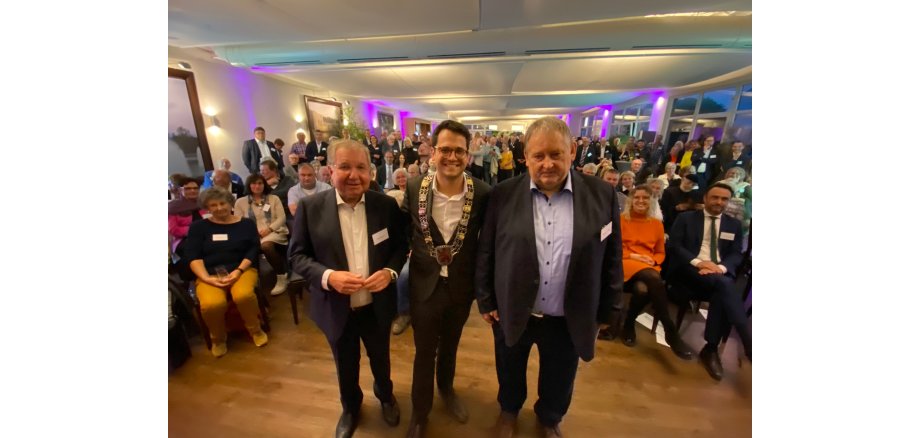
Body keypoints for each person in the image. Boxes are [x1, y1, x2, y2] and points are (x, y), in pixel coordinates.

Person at [475, 116, 622, 438]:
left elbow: (612, 256)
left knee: (560, 373)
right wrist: (485, 299)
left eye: (556, 154)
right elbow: (486, 250)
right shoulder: (502, 195)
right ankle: (509, 410)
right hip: (514, 308)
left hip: (569, 313)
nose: (547, 164)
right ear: (524, 157)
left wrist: (609, 309)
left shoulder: (602, 195)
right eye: (538, 156)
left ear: (572, 151)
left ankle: (549, 417)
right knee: (509, 366)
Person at [288, 140, 408, 438]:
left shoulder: (385, 205)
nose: (353, 175)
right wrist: (329, 277)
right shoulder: (310, 207)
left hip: (377, 304)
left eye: (361, 168)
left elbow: (399, 247)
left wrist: (390, 272)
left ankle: (385, 396)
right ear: (329, 171)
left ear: (371, 171)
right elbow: (297, 256)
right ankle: (350, 407)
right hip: (335, 306)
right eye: (344, 167)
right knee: (345, 362)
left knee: (381, 357)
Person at [402, 120, 491, 438]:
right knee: (424, 351)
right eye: (445, 149)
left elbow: (487, 245)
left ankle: (447, 390)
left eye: (459, 151)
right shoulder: (414, 187)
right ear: (432, 152)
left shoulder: (482, 193)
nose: (452, 157)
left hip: (460, 287)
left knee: (451, 345)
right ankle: (419, 413)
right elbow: (404, 234)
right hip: (423, 286)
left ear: (468, 155)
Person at [666, 183, 751, 381]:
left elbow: (735, 254)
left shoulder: (733, 224)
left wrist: (719, 268)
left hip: (717, 274)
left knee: (721, 290)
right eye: (715, 197)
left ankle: (711, 348)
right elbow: (675, 246)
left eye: (724, 199)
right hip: (689, 269)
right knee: (725, 286)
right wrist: (699, 262)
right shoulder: (686, 218)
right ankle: (745, 343)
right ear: (705, 198)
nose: (719, 202)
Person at [604, 185, 692, 358]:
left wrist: (653, 260)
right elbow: (612, 249)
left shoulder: (657, 224)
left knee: (643, 289)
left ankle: (629, 323)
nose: (641, 201)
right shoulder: (620, 220)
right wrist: (635, 257)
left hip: (648, 267)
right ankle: (669, 329)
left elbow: (660, 252)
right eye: (637, 197)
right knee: (652, 278)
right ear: (630, 200)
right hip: (625, 262)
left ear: (652, 201)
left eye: (645, 198)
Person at [185, 187, 266, 357]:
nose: (219, 208)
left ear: (230, 202)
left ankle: (255, 330)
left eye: (222, 203)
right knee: (212, 304)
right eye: (213, 205)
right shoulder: (198, 227)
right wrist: (207, 278)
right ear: (207, 207)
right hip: (209, 274)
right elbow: (193, 256)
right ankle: (218, 338)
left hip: (242, 270)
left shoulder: (246, 224)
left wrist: (238, 271)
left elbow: (252, 250)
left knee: (243, 295)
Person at [235, 174, 289, 296]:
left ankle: (281, 275)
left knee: (266, 246)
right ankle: (250, 280)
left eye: (260, 183)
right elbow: (238, 222)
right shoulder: (240, 202)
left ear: (264, 185)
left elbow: (282, 217)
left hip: (275, 231)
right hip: (252, 234)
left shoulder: (273, 198)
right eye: (253, 183)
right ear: (249, 185)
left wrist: (269, 229)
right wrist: (252, 233)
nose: (257, 186)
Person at [168, 177, 207, 268]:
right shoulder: (173, 207)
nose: (192, 191)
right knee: (194, 250)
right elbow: (173, 229)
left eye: (195, 188)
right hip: (183, 239)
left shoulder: (204, 203)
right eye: (188, 188)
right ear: (181, 190)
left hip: (206, 235)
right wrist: (195, 231)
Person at [660, 168, 703, 233]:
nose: (690, 185)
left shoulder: (696, 195)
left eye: (693, 184)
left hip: (688, 226)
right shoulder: (669, 192)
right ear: (683, 179)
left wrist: (696, 207)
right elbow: (663, 209)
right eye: (689, 182)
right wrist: (675, 208)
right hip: (671, 224)